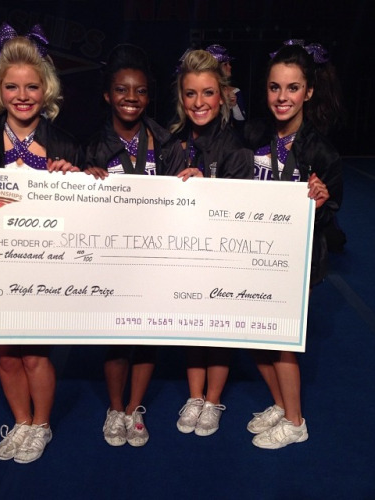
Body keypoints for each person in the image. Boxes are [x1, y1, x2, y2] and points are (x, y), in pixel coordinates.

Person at [0, 23, 82, 463]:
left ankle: (41, 424)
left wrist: (76, 181)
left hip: (44, 264)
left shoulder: (64, 144)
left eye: (32, 87)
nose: (22, 96)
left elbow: (81, 219)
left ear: (47, 90)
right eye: (12, 87)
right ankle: (22, 421)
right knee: (5, 355)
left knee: (36, 354)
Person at [84, 43, 185, 447]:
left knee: (147, 337)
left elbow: (183, 201)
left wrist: (191, 181)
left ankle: (133, 408)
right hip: (112, 259)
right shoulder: (92, 145)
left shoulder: (167, 143)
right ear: (108, 95)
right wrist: (82, 180)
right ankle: (114, 408)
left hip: (155, 257)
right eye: (122, 90)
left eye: (140, 91)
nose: (131, 98)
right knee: (115, 339)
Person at [243, 42, 342, 449]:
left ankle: (296, 422)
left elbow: (332, 220)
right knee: (251, 337)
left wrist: (321, 203)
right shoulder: (253, 135)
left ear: (309, 92)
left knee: (280, 341)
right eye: (274, 87)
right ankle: (282, 404)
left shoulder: (322, 152)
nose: (282, 97)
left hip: (296, 263)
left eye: (293, 88)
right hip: (252, 255)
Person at [170, 49, 253, 436]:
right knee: (192, 323)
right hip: (184, 250)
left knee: (218, 325)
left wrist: (210, 188)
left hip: (221, 254)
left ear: (222, 96)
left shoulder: (235, 147)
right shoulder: (173, 140)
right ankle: (194, 396)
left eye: (207, 93)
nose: (199, 102)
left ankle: (213, 398)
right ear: (181, 97)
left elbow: (240, 211)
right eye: (191, 94)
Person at [205, 44, 246, 130]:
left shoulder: (235, 92)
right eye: (225, 64)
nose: (230, 67)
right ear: (216, 68)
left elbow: (241, 123)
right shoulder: (204, 92)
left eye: (229, 64)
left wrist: (234, 105)